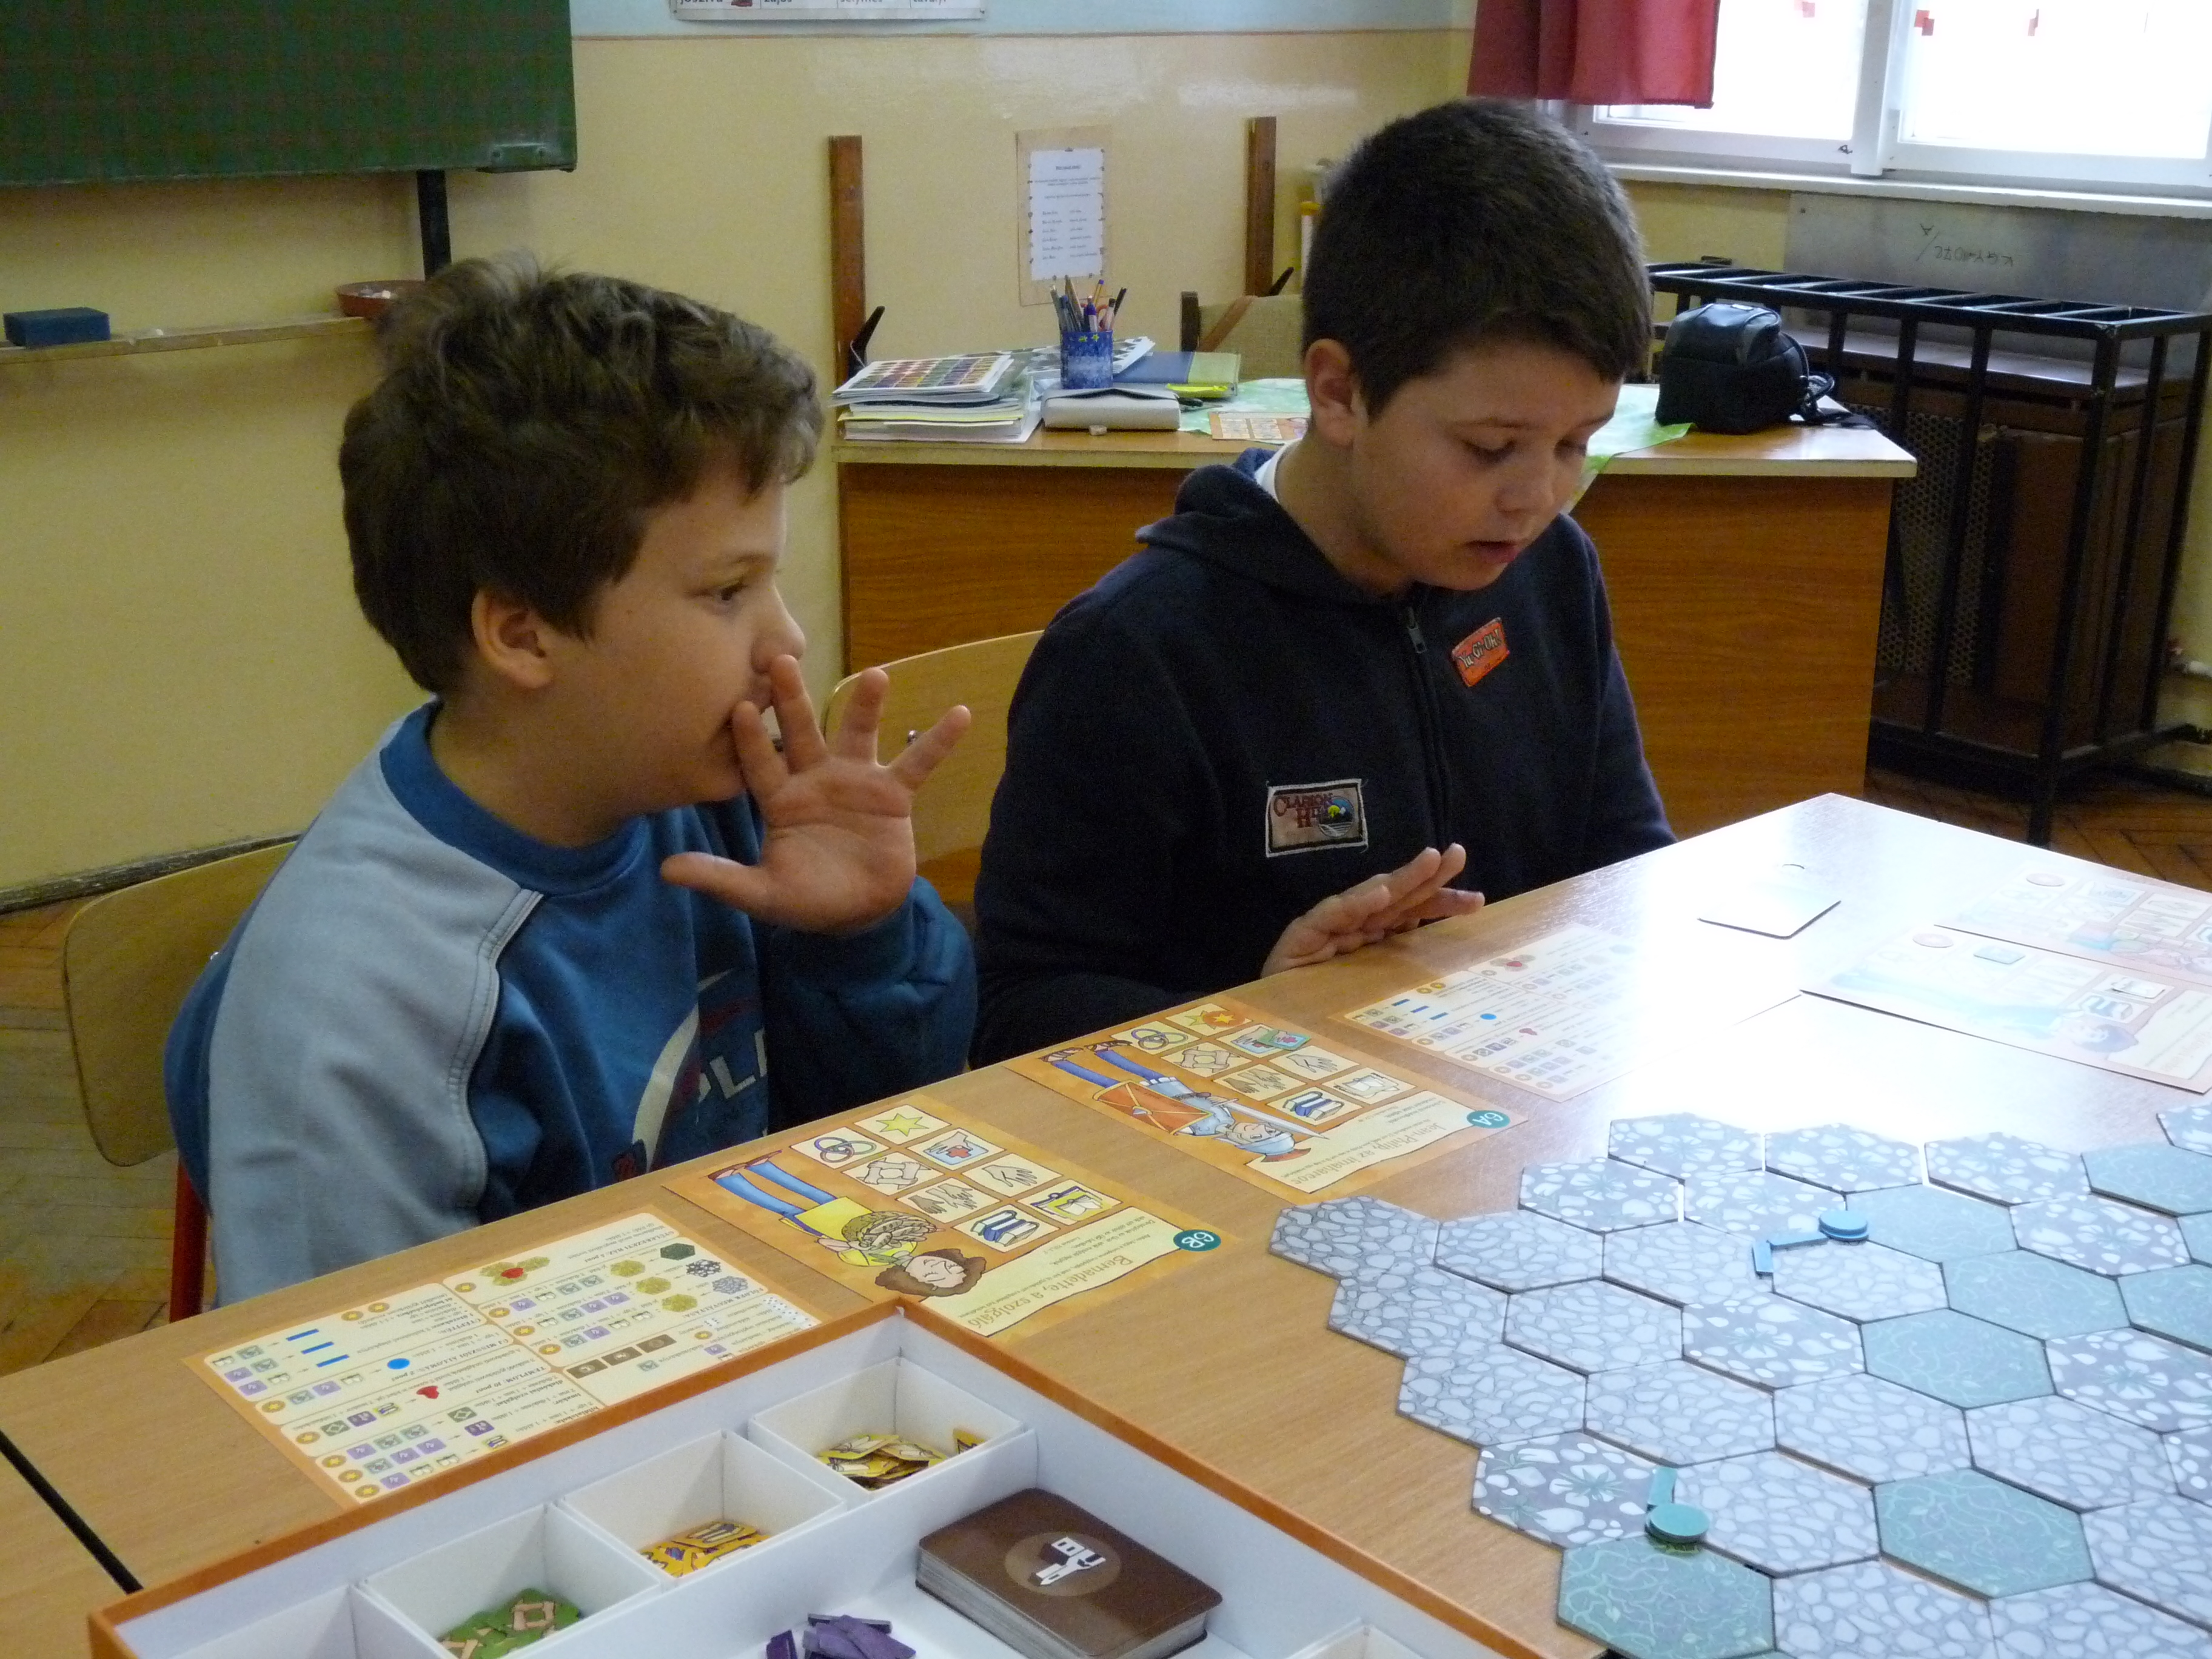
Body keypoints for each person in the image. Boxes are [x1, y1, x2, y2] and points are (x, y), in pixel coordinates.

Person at [166, 257, 975, 1303]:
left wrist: (859, 942)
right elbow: (365, 1373)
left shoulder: (712, 798)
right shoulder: (356, 1019)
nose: (787, 641)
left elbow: (885, 1149)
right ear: (522, 634)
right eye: (728, 591)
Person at [972, 99, 1674, 1064]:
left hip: (1508, 1098)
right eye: (1490, 448)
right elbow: (1018, 1012)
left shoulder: (1551, 574)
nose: (1538, 498)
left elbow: (1627, 872)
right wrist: (1258, 1012)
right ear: (1339, 393)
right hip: (1253, 1125)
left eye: (1575, 444)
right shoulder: (1139, 653)